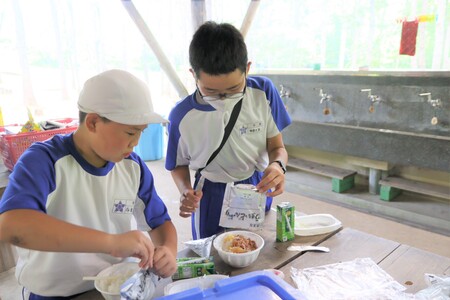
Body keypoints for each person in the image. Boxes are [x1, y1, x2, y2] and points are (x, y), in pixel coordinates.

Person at [0, 69, 177, 299]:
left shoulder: (132, 167)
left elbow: (161, 223)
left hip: (116, 287)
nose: (135, 143)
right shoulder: (44, 161)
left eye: (141, 132)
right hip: (52, 294)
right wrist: (111, 243)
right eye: (130, 132)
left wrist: (169, 251)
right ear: (93, 122)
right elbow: (12, 226)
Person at [165, 21, 291, 240]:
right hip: (210, 191)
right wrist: (186, 191)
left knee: (256, 249)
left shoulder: (263, 93)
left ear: (247, 69)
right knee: (211, 256)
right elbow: (177, 166)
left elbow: (277, 147)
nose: (223, 99)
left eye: (233, 89)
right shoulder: (181, 116)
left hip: (256, 185)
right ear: (193, 75)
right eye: (211, 91)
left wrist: (278, 166)